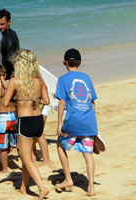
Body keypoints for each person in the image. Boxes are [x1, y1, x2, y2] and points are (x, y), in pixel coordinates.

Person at [3, 49, 50, 200]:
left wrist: (18, 100)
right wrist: (33, 100)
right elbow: (47, 101)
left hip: (26, 122)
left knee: (26, 158)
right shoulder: (39, 79)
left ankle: (41, 188)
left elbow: (5, 103)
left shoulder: (15, 81)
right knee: (27, 157)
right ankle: (23, 187)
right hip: (38, 121)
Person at [55, 48, 98, 196]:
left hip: (73, 122)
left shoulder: (63, 79)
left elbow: (61, 103)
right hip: (88, 122)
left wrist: (59, 123)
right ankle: (91, 188)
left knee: (60, 144)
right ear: (80, 62)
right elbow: (92, 103)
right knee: (88, 154)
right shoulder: (87, 78)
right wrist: (93, 123)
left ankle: (68, 179)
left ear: (65, 62)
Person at [0, 9, 20, 79]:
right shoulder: (8, 34)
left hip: (10, 76)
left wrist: (7, 77)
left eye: (2, 24)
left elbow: (11, 59)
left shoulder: (9, 37)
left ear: (9, 22)